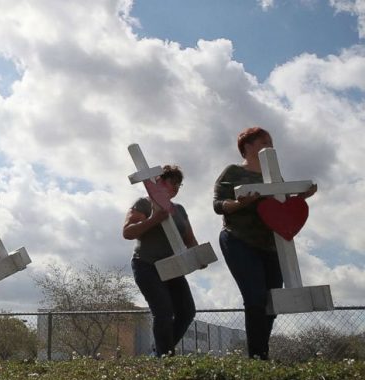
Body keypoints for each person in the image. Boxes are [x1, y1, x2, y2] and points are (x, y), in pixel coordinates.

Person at [213, 127, 316, 360]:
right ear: (247, 146)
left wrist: (301, 197)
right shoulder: (234, 172)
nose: (270, 147)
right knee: (255, 297)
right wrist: (240, 204)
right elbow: (218, 204)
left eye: (271, 142)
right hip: (239, 239)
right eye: (263, 142)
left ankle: (262, 351)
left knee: (272, 301)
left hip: (271, 246)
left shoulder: (274, 176)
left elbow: (282, 207)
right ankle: (257, 357)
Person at [122, 165, 199, 357]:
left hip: (172, 267)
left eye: (179, 184)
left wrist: (198, 257)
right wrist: (154, 219)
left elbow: (190, 240)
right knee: (163, 311)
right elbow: (128, 232)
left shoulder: (179, 210)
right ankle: (165, 358)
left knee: (187, 311)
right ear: (158, 181)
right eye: (172, 182)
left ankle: (161, 351)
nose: (176, 187)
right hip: (147, 264)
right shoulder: (144, 204)